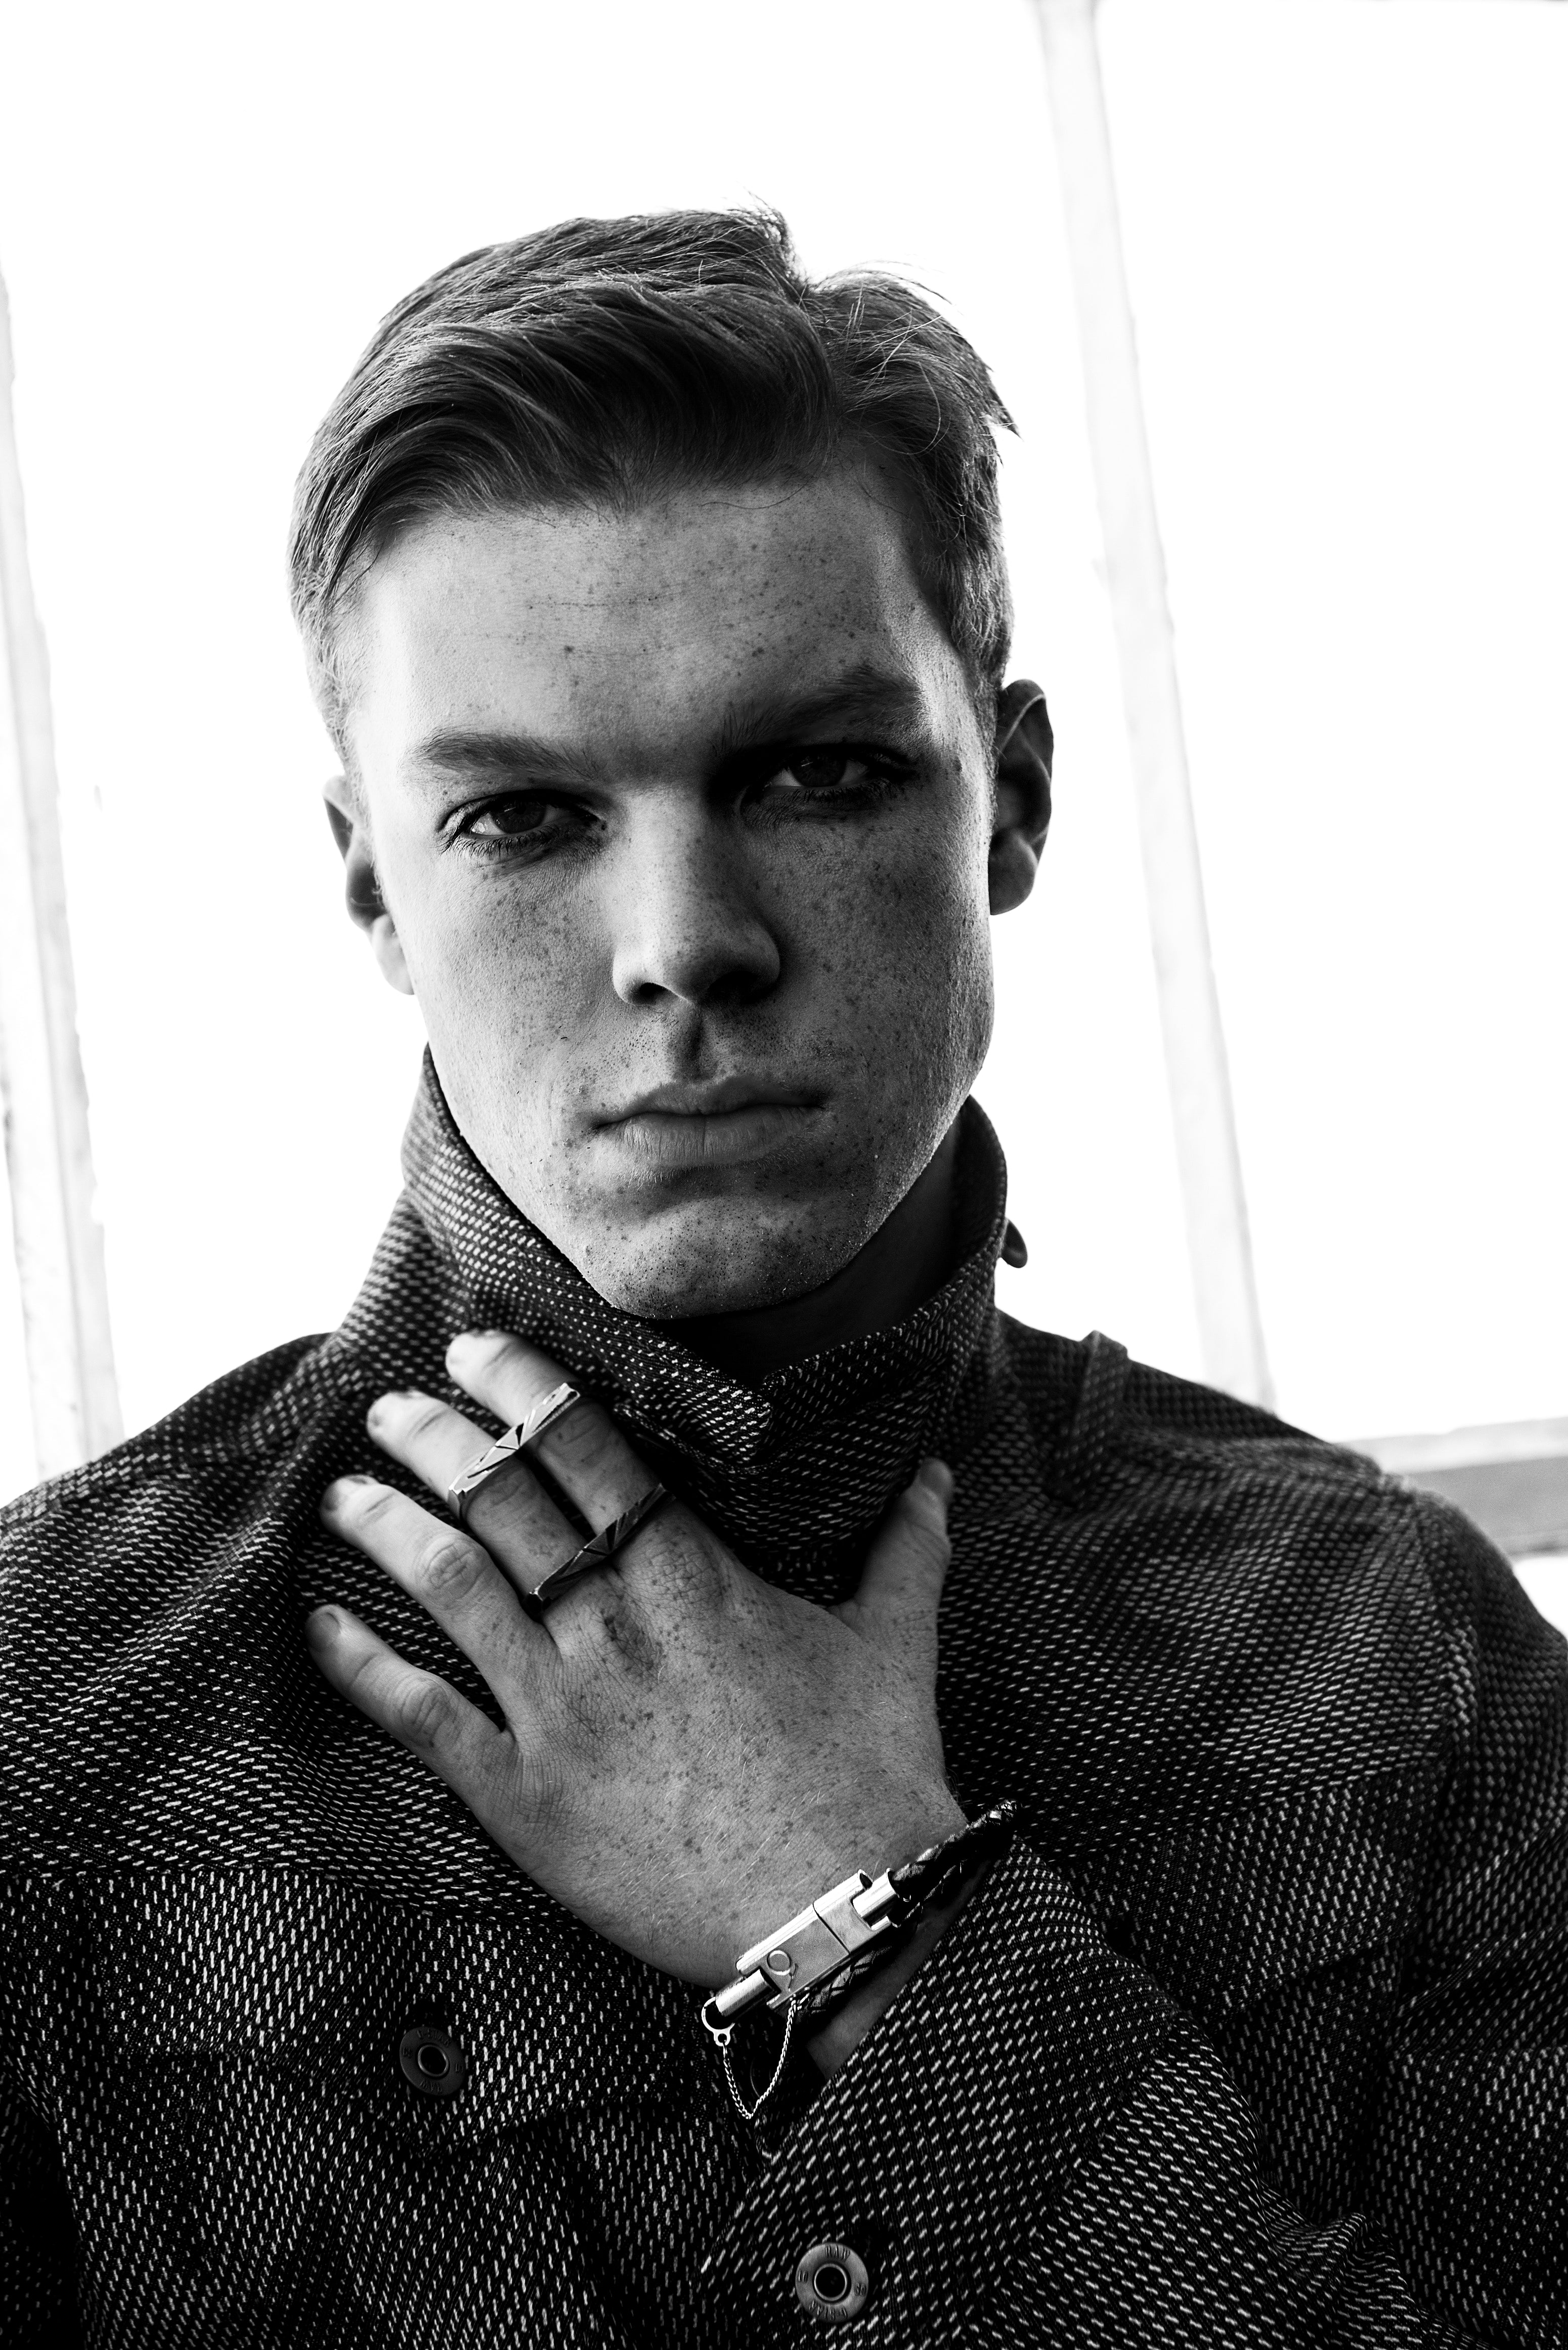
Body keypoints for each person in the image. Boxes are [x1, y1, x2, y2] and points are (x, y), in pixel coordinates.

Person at [0, 207, 1562, 2350]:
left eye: (813, 774)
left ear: (1008, 796)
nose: (684, 942)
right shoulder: (40, 1733)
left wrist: (872, 1936)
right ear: (369, 876)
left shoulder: (1399, 1664)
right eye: (526, 818)